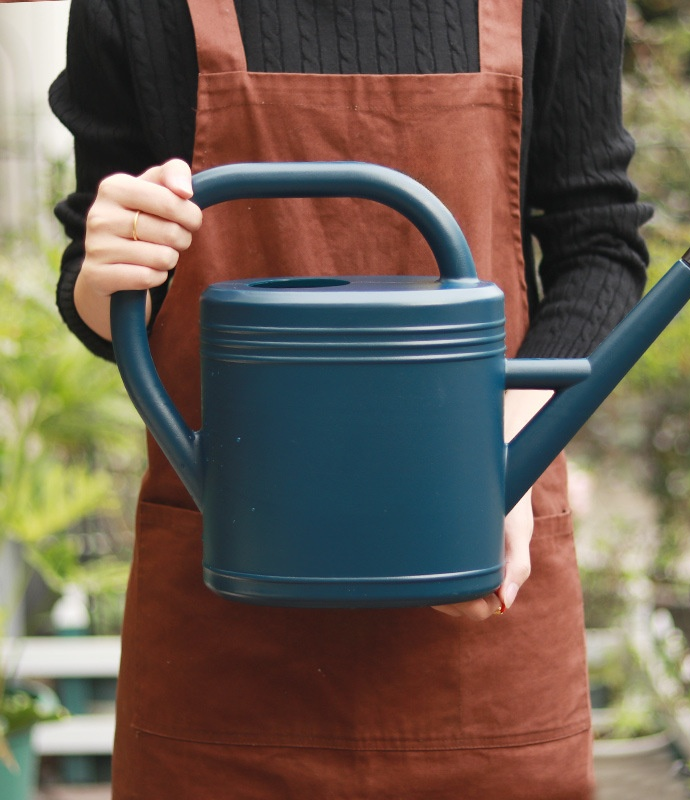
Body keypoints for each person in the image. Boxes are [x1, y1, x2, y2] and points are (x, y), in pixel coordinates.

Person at [50, 1, 651, 797]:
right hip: (224, 649)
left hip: (478, 636)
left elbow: (600, 244)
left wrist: (496, 458)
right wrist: (112, 266)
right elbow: (106, 287)